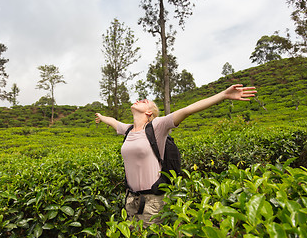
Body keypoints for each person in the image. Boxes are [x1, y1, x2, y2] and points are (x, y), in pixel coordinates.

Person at [95, 84, 257, 226]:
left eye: (145, 101)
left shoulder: (157, 126)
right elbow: (113, 121)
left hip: (153, 201)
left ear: (149, 112)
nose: (140, 100)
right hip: (131, 200)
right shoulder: (128, 130)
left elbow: (188, 110)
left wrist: (223, 95)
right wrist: (101, 117)